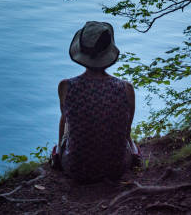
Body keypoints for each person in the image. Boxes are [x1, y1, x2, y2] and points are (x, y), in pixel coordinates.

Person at [55, 21, 140, 183]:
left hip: (75, 169)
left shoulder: (66, 87)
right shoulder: (126, 88)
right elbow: (126, 131)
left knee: (66, 119)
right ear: (108, 52)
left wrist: (60, 149)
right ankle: (133, 153)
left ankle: (61, 154)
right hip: (117, 168)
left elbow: (66, 122)